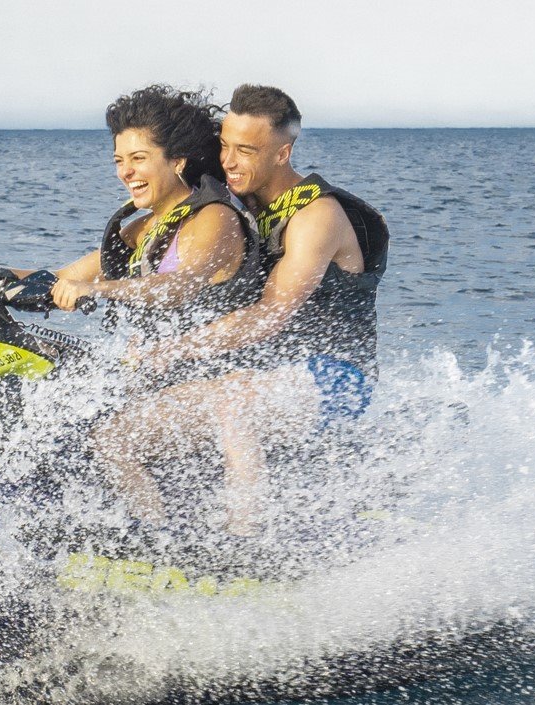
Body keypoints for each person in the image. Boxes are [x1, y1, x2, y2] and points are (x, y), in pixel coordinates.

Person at [95, 84, 389, 536]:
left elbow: (270, 314)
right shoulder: (236, 206)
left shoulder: (317, 217)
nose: (229, 162)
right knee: (117, 433)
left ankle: (244, 542)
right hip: (257, 374)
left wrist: (177, 349)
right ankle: (155, 542)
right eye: (225, 147)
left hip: (337, 378)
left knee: (234, 405)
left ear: (282, 153)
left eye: (246, 150)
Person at [0, 85, 261, 336]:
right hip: (147, 373)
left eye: (138, 158)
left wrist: (97, 288)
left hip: (209, 377)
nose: (125, 172)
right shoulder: (143, 230)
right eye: (119, 161)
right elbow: (62, 279)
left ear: (177, 161)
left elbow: (183, 285)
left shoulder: (215, 218)